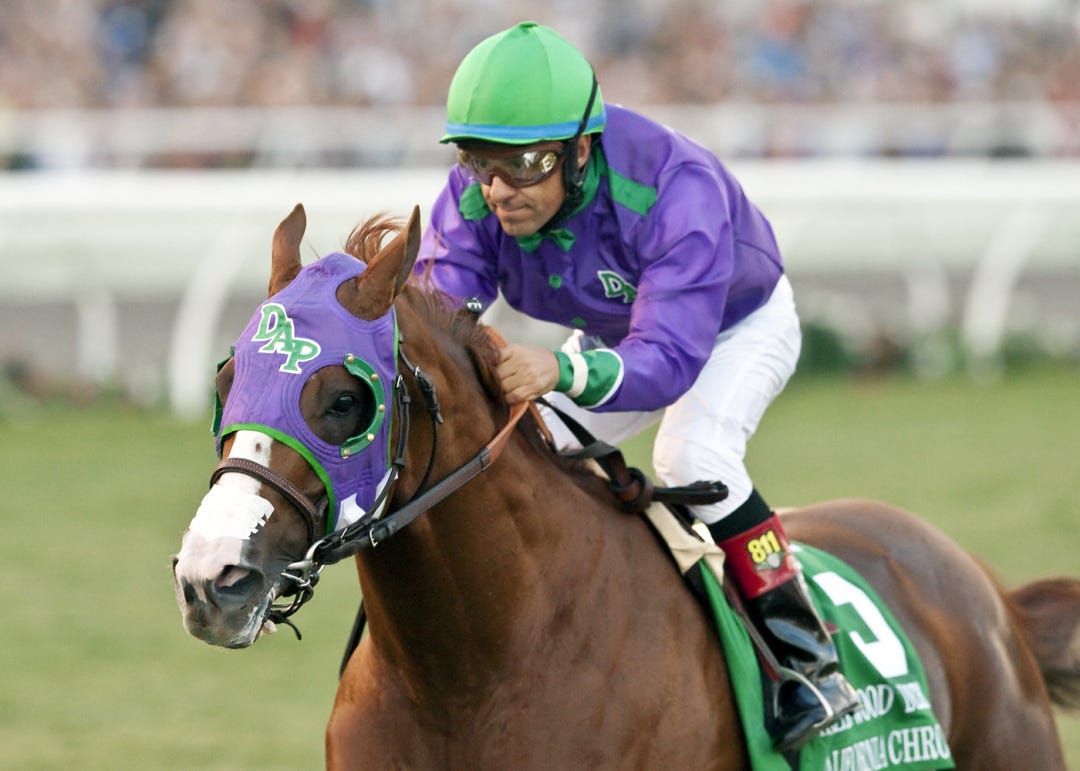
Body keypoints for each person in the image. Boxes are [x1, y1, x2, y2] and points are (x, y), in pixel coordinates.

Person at [415, 21, 859, 752]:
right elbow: (437, 312)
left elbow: (670, 359)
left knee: (693, 457)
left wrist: (561, 369)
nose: (497, 189)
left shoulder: (674, 189)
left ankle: (807, 658)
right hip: (617, 333)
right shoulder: (481, 191)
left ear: (580, 149)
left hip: (733, 328)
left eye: (523, 164)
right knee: (520, 447)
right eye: (478, 161)